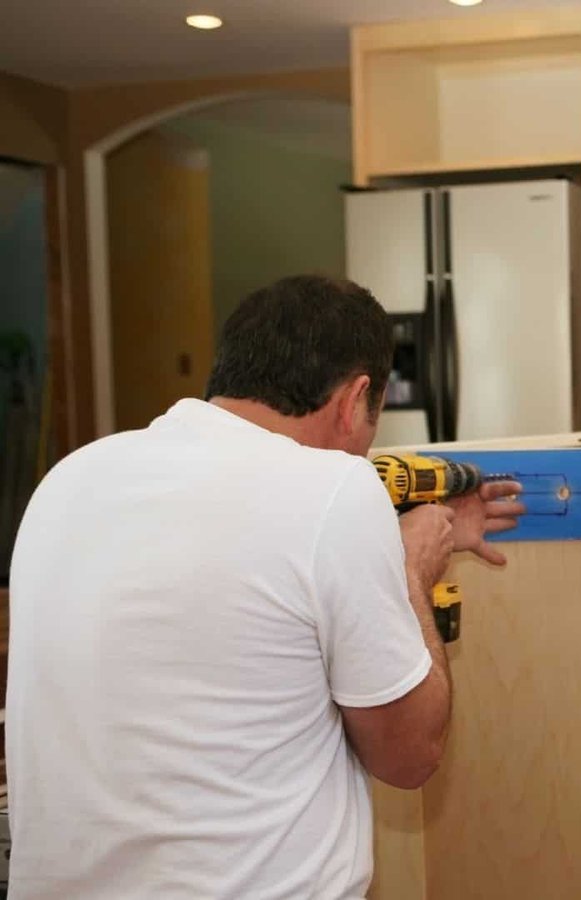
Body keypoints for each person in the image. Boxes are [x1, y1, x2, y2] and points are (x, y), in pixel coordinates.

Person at [5, 275, 526, 898]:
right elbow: (411, 756)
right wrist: (409, 571)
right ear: (356, 397)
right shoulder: (335, 489)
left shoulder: (71, 477)